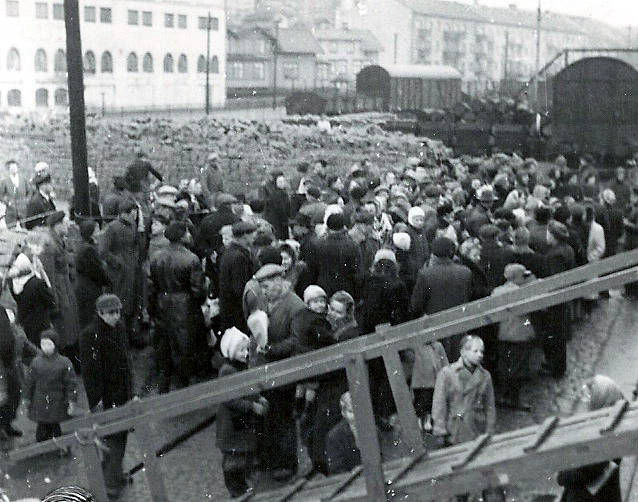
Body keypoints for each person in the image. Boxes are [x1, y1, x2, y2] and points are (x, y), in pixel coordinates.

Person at [79, 294, 133, 498]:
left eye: (118, 312)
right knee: (112, 439)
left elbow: (126, 362)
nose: (116, 316)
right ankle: (110, 481)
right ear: (100, 313)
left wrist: (132, 392)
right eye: (111, 313)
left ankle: (115, 475)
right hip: (105, 396)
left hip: (121, 392)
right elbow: (89, 373)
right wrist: (96, 402)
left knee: (121, 436)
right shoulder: (89, 335)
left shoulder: (119, 328)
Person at [432, 335, 497, 501]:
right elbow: (439, 405)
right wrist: (440, 430)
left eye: (482, 351)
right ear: (463, 352)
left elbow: (490, 406)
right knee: (458, 477)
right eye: (475, 351)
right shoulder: (447, 374)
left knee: (482, 474)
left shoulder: (485, 376)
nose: (480, 355)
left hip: (476, 430)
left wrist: (490, 431)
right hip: (454, 432)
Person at [149, 222, 208, 393]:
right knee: (184, 348)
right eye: (187, 232)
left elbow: (151, 286)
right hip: (184, 306)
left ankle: (164, 386)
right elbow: (198, 290)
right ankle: (183, 388)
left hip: (162, 303)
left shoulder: (156, 257)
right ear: (182, 236)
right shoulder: (191, 258)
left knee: (164, 346)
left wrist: (153, 308)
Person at [216, 328, 269, 498]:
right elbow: (230, 399)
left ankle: (241, 488)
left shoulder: (238, 366)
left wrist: (258, 398)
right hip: (233, 424)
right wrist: (252, 406)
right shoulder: (228, 370)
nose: (245, 353)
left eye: (246, 349)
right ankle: (237, 491)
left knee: (241, 456)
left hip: (239, 424)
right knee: (234, 460)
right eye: (241, 350)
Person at [557, 375, 624, 502]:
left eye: (589, 396)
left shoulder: (602, 433)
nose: (586, 401)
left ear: (601, 398)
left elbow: (584, 472)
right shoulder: (610, 421)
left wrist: (561, 475)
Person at [410, 237, 473, 361]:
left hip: (435, 330)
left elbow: (416, 305)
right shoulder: (465, 272)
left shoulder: (425, 274)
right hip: (459, 327)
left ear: (433, 253)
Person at [100, 198, 144, 347]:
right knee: (121, 305)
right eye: (134, 212)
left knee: (131, 303)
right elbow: (103, 251)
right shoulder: (112, 228)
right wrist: (117, 263)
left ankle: (129, 337)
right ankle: (121, 339)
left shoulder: (132, 226)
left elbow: (137, 246)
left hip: (130, 271)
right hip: (119, 274)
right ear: (129, 212)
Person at [39, 211, 81, 369]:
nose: (67, 226)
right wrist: (54, 303)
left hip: (65, 287)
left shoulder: (58, 241)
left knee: (70, 325)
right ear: (56, 226)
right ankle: (67, 363)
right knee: (64, 328)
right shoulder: (50, 245)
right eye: (63, 223)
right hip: (59, 291)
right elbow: (48, 276)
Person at [492, 264, 535, 411]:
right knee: (519, 368)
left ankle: (504, 395)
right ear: (517, 277)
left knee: (505, 366)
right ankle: (515, 399)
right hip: (521, 334)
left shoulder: (496, 291)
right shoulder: (523, 292)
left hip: (503, 334)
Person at [23, 329, 78, 442]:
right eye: (43, 344)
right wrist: (26, 397)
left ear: (55, 345)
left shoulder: (64, 362)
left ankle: (60, 446)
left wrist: (71, 401)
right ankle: (42, 447)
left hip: (58, 402)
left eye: (49, 344)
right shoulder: (36, 362)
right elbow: (29, 382)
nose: (45, 347)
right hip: (40, 402)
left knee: (57, 429)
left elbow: (71, 384)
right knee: (42, 429)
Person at [306, 213, 363, 300]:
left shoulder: (317, 244)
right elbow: (357, 274)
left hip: (323, 289)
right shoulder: (353, 246)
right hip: (346, 291)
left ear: (328, 226)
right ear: (343, 226)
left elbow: (311, 270)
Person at [8, 253, 56, 346]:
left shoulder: (12, 284)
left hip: (24, 324)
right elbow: (51, 301)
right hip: (40, 325)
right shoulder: (37, 283)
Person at [218, 221, 257, 334]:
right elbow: (240, 288)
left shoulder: (228, 252)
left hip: (228, 308)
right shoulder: (239, 257)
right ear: (245, 235)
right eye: (252, 234)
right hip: (237, 311)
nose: (254, 237)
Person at [358, 249, 409, 334]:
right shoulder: (398, 284)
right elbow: (404, 311)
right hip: (392, 329)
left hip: (370, 330)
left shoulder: (369, 282)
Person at [74, 220, 111, 329]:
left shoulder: (84, 245)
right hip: (89, 288)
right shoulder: (88, 249)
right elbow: (95, 271)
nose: (99, 231)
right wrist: (107, 281)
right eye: (96, 229)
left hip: (84, 286)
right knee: (90, 318)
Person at [326, 392, 362, 475]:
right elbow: (336, 469)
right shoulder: (334, 437)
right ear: (343, 413)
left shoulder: (373, 426)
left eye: (358, 410)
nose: (356, 416)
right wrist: (352, 473)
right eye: (351, 412)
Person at [0, 159, 31, 226]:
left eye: (15, 167)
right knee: (11, 229)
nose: (14, 169)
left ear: (17, 168)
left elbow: (30, 191)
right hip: (11, 210)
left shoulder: (24, 180)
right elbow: (1, 195)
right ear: (8, 169)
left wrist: (27, 200)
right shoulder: (4, 181)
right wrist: (7, 202)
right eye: (11, 168)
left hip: (23, 209)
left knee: (24, 228)